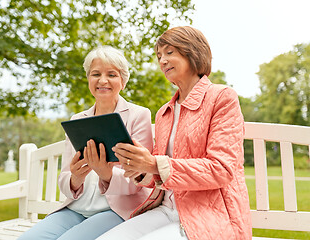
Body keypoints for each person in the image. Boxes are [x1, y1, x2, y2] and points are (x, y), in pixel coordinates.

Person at [97, 26, 252, 240]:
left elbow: (221, 169)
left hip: (208, 215)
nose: (162, 61)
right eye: (159, 56)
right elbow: (160, 175)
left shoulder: (222, 97)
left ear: (193, 52)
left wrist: (153, 163)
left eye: (169, 52)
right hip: (166, 209)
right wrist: (140, 167)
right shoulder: (164, 112)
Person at [18, 46, 153, 240]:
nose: (103, 80)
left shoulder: (138, 115)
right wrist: (75, 178)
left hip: (116, 210)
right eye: (95, 74)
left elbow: (140, 181)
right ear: (89, 80)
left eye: (112, 74)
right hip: (76, 208)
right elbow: (65, 179)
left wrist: (105, 173)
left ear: (123, 81)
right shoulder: (78, 120)